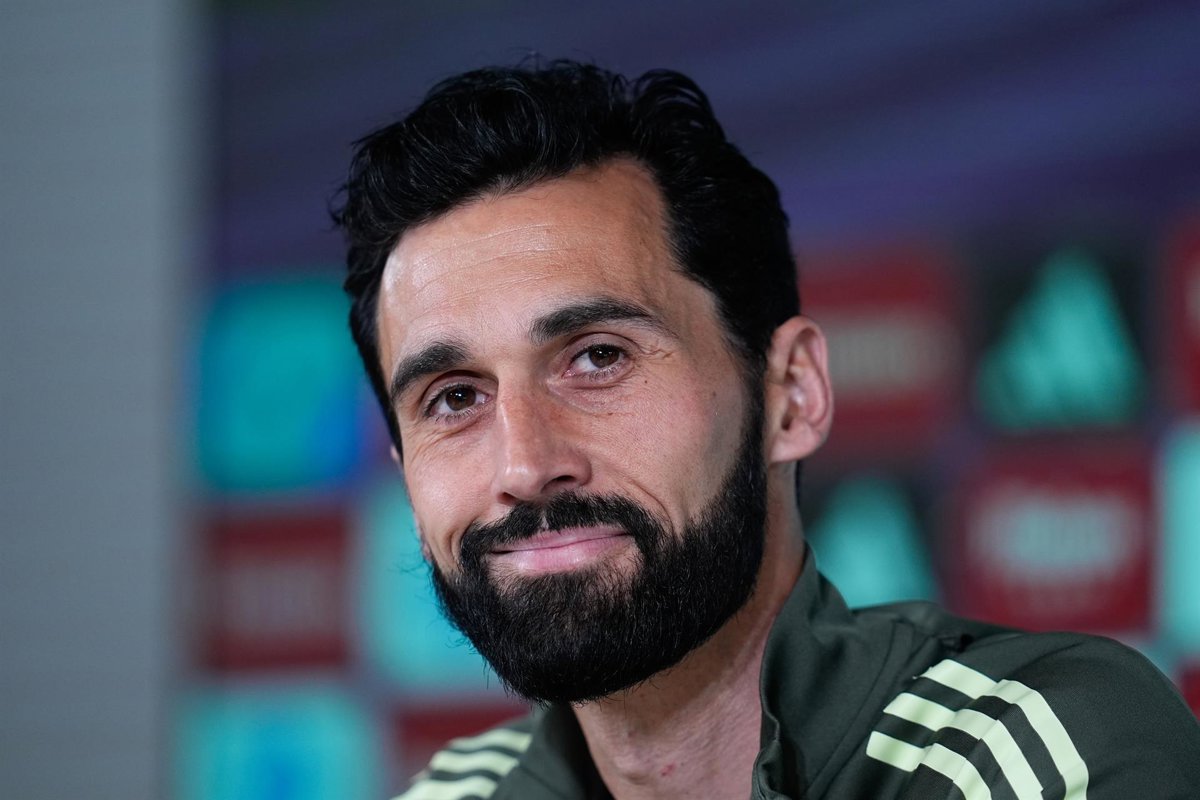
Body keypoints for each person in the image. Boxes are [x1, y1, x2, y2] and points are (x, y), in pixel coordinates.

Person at [333, 61, 1200, 800]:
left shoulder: (1027, 751)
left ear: (791, 394)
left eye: (597, 358)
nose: (525, 464)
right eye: (454, 398)